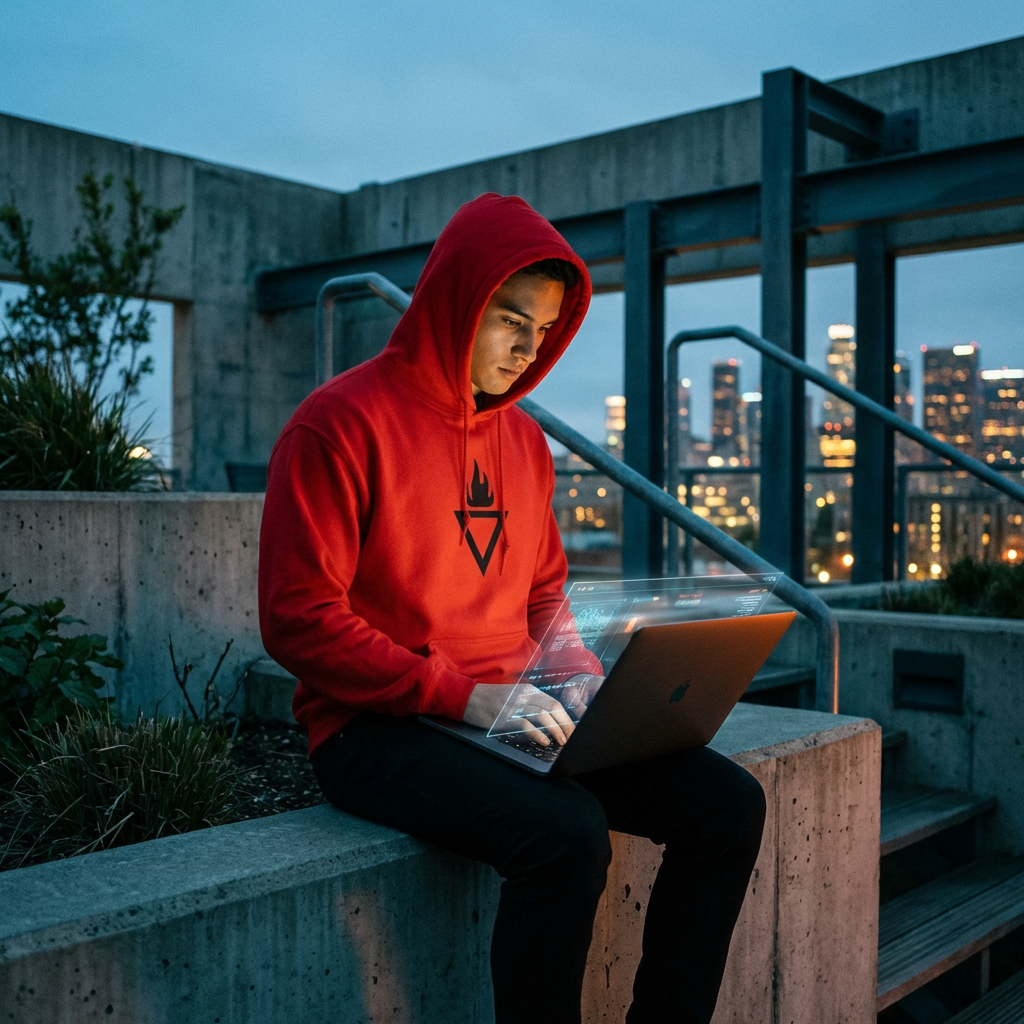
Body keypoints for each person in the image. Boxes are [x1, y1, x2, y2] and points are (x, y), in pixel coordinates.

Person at [258, 193, 766, 1024]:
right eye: (511, 321)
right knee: (566, 837)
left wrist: (579, 679)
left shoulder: (525, 443)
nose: (528, 350)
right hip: (373, 726)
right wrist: (461, 694)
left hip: (506, 713)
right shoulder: (337, 425)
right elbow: (298, 618)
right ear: (457, 298)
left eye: (545, 333)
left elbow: (541, 597)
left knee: (728, 805)